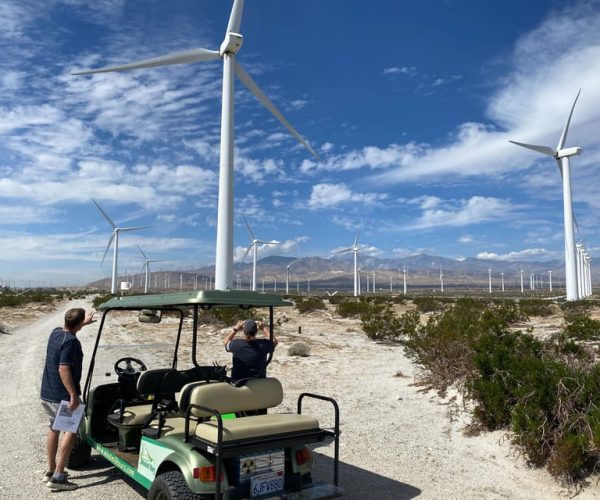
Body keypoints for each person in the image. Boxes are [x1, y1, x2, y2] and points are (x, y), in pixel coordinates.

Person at [40, 308, 94, 491]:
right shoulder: (71, 342)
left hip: (47, 393)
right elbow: (64, 369)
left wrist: (82, 324)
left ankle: (51, 469)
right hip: (62, 395)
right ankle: (58, 477)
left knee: (54, 428)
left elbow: (69, 329)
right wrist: (73, 394)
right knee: (70, 430)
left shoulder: (56, 333)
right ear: (78, 324)